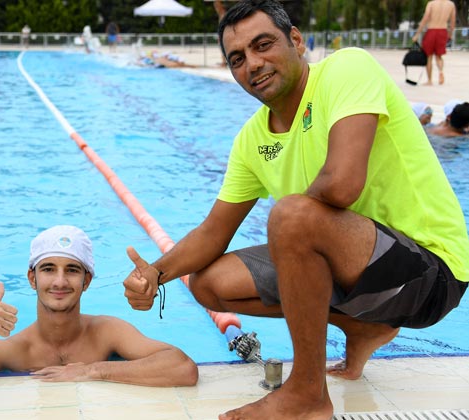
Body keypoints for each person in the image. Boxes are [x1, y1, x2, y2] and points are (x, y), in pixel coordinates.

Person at [122, 1, 469, 419]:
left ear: (297, 41)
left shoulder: (347, 69)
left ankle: (307, 393)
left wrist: (292, 235)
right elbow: (214, 232)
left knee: (291, 217)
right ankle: (361, 327)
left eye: (263, 44)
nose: (253, 63)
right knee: (208, 283)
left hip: (433, 275)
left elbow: (342, 185)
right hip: (364, 267)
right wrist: (155, 274)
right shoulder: (252, 140)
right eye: (238, 59)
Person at [0, 225, 198, 396]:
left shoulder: (108, 332)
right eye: (48, 269)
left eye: (71, 270)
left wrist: (93, 370)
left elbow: (183, 368)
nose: (59, 281)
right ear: (33, 279)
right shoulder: (11, 351)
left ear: (87, 281)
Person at [412, 0, 456, 85]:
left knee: (429, 57)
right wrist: (450, 34)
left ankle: (429, 80)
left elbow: (425, 18)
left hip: (431, 30)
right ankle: (441, 71)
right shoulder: (451, 4)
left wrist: (417, 34)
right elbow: (452, 22)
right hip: (443, 31)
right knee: (439, 56)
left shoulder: (432, 4)